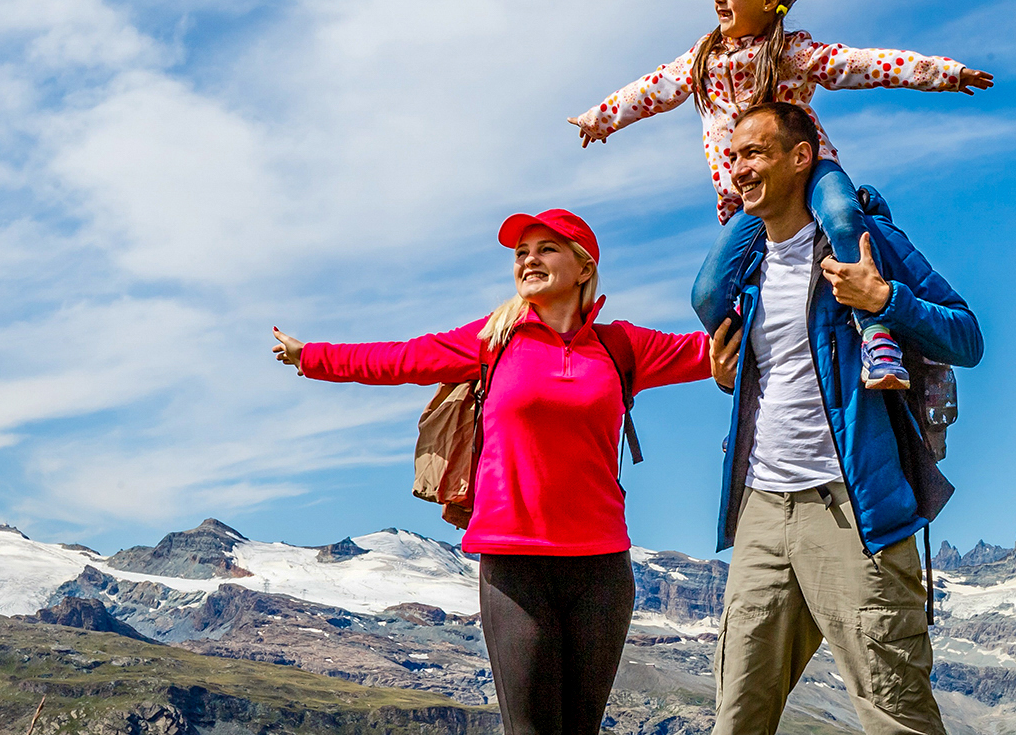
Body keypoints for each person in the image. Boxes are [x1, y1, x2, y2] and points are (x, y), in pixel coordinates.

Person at [271, 209, 715, 735]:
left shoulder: (622, 347)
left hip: (602, 569)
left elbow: (721, 345)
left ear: (583, 266)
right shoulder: (493, 340)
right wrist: (314, 356)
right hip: (514, 565)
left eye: (546, 248)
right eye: (520, 253)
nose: (528, 259)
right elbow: (402, 358)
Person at [568, 0, 992, 391]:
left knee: (844, 216)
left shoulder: (792, 52)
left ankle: (875, 333)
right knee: (708, 292)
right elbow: (652, 88)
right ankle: (747, 357)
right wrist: (601, 119)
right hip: (751, 197)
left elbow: (863, 64)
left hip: (811, 173)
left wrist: (942, 73)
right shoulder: (703, 59)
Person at [702, 102, 984, 735]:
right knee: (737, 718)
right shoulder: (746, 271)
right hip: (761, 511)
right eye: (734, 154)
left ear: (801, 158)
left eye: (755, 153)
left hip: (854, 513)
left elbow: (966, 336)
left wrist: (884, 299)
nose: (739, 167)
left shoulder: (864, 242)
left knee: (894, 715)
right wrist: (731, 375)